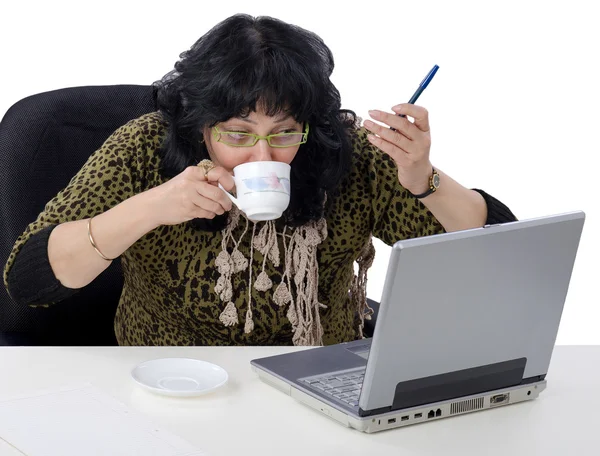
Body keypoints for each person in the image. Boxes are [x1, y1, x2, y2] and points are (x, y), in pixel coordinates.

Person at [3, 14, 516, 346]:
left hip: (317, 380)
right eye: (238, 133)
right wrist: (151, 208)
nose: (263, 154)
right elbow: (28, 281)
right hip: (170, 385)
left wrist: (423, 177)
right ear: (200, 123)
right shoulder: (146, 146)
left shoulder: (348, 153)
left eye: (285, 133)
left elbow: (494, 259)